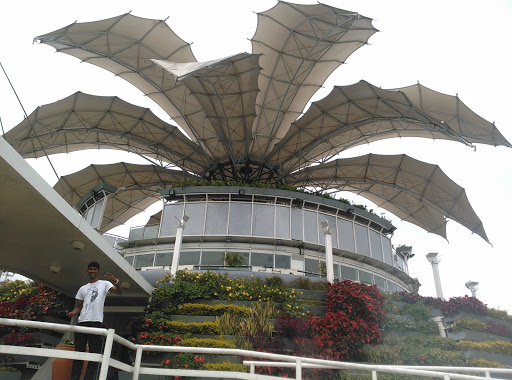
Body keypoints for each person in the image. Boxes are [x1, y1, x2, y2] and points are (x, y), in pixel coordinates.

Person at [68, 261, 122, 380]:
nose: (92, 271)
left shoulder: (104, 284)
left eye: (94, 269)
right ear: (88, 271)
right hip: (82, 322)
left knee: (94, 354)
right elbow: (79, 306)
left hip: (96, 322)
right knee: (79, 353)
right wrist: (73, 313)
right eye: (90, 269)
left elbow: (119, 292)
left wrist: (116, 282)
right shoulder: (83, 288)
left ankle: (88, 378)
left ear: (98, 271)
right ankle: (74, 378)